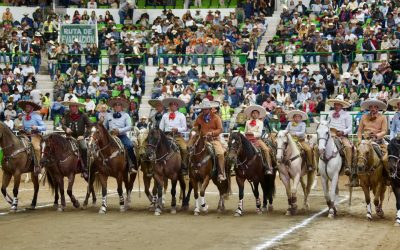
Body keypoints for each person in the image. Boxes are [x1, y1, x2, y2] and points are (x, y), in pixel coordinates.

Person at [192, 99, 226, 181]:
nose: (204, 110)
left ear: (210, 109)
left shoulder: (216, 117)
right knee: (190, 150)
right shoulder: (199, 117)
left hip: (214, 139)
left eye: (206, 109)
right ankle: (189, 169)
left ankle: (221, 173)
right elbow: (195, 127)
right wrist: (195, 131)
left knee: (220, 153)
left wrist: (212, 133)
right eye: (203, 109)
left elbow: (220, 129)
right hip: (202, 140)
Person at [357, 99, 388, 185]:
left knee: (385, 159)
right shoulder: (364, 117)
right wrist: (359, 140)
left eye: (375, 107)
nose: (373, 108)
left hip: (379, 141)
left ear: (378, 108)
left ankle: (387, 177)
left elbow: (384, 131)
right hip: (365, 141)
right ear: (369, 108)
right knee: (356, 155)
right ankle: (354, 177)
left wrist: (377, 136)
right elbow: (359, 131)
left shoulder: (382, 117)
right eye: (371, 107)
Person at [104, 97, 137, 173]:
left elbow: (129, 126)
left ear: (122, 106)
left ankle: (131, 165)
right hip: (110, 136)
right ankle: (99, 165)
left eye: (119, 105)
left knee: (129, 145)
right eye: (115, 105)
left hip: (121, 135)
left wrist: (119, 130)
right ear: (113, 106)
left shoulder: (126, 115)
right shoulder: (108, 115)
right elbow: (105, 126)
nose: (117, 106)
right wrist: (108, 132)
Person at [61, 100, 92, 179]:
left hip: (79, 137)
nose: (72, 108)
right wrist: (66, 128)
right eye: (71, 106)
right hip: (69, 137)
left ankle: (85, 169)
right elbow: (63, 124)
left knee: (84, 148)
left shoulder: (83, 115)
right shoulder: (66, 115)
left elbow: (90, 126)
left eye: (74, 106)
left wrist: (84, 136)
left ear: (77, 107)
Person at [159, 97, 188, 175]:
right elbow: (161, 127)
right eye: (171, 105)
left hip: (177, 136)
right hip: (166, 136)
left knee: (184, 148)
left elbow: (184, 127)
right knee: (155, 146)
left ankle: (184, 166)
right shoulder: (165, 115)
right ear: (169, 106)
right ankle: (154, 164)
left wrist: (177, 129)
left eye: (175, 105)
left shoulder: (181, 115)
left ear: (177, 106)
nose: (173, 106)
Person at [326, 98, 353, 176]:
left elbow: (350, 127)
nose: (336, 106)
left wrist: (343, 132)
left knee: (348, 147)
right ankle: (319, 166)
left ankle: (348, 166)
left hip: (342, 136)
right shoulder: (330, 113)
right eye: (335, 104)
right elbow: (327, 124)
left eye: (338, 104)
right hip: (330, 135)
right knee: (318, 146)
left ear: (342, 105)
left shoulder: (347, 115)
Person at [18, 100, 46, 175]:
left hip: (35, 135)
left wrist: (36, 127)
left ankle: (38, 166)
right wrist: (21, 129)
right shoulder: (23, 117)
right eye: (26, 107)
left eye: (28, 107)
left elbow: (44, 127)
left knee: (36, 148)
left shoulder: (37, 116)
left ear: (32, 108)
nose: (26, 108)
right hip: (25, 135)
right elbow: (23, 128)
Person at [244, 105, 273, 175]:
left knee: (266, 149)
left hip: (257, 139)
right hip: (247, 140)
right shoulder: (247, 122)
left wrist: (251, 133)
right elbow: (245, 131)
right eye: (253, 113)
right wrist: (245, 134)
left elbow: (259, 133)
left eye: (256, 113)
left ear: (258, 115)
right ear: (251, 114)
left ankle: (269, 167)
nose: (255, 114)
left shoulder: (260, 122)